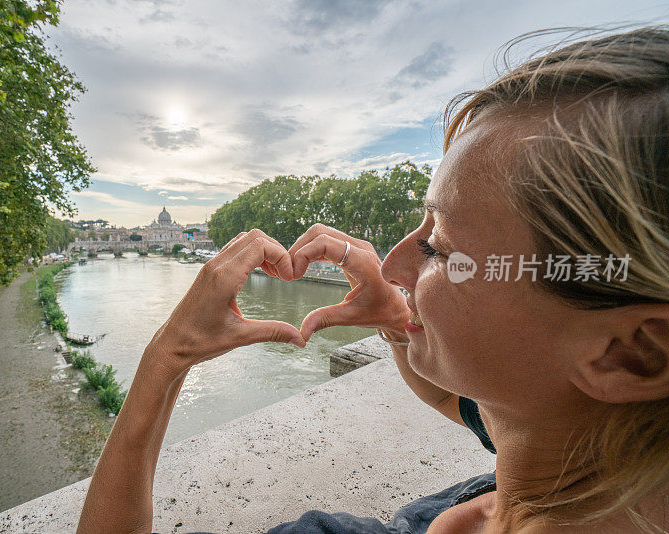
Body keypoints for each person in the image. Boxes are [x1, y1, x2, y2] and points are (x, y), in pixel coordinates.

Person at [77, 26, 669, 533]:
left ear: (635, 353)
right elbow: (455, 400)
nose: (389, 265)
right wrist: (399, 321)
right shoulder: (599, 447)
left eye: (438, 247)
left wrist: (167, 353)